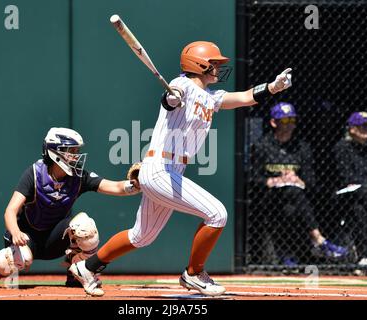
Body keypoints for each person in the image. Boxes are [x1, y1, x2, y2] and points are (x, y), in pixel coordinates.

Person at [67, 41, 293, 297]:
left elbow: (243, 97)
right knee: (217, 214)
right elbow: (170, 97)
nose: (219, 68)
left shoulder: (211, 97)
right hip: (160, 168)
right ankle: (194, 274)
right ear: (200, 65)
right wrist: (171, 99)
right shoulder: (181, 84)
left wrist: (273, 88)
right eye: (214, 64)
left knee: (142, 236)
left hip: (172, 170)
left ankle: (88, 267)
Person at [0, 127, 140, 295]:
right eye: (71, 151)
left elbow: (114, 187)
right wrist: (16, 233)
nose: (76, 156)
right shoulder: (34, 174)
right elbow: (10, 210)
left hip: (54, 240)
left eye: (77, 151)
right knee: (17, 258)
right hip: (27, 236)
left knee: (85, 227)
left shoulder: (78, 176)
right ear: (55, 153)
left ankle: (78, 272)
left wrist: (136, 185)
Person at [249, 102, 348, 266]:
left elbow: (311, 181)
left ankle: (287, 256)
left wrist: (298, 180)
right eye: (285, 121)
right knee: (289, 195)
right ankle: (318, 240)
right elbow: (252, 177)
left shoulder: (302, 147)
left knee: (291, 207)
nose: (289, 125)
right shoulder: (262, 146)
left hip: (296, 200)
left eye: (292, 121)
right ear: (274, 123)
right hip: (269, 199)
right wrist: (273, 180)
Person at [332, 111, 367, 266]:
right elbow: (349, 178)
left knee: (360, 209)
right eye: (362, 126)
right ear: (351, 128)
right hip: (345, 196)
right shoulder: (342, 148)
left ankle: (365, 258)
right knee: (361, 192)